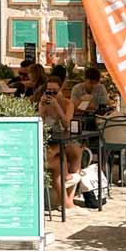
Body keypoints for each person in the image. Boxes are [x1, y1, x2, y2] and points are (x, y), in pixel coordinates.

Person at [39, 79, 80, 210]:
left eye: (55, 92)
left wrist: (57, 106)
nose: (52, 95)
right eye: (48, 92)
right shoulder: (43, 103)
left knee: (77, 151)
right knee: (60, 158)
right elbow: (39, 125)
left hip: (63, 140)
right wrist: (42, 109)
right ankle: (66, 201)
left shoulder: (68, 104)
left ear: (61, 90)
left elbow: (67, 125)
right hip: (49, 143)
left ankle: (69, 198)